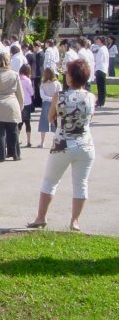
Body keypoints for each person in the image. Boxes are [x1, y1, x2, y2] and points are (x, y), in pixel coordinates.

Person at [27, 59, 96, 231]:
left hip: (62, 144)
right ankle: (75, 221)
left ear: (70, 77)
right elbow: (89, 118)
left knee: (50, 181)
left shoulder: (60, 96)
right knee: (81, 183)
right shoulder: (91, 97)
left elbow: (51, 118)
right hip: (85, 144)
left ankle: (41, 217)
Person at [38, 68, 62, 148]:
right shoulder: (57, 83)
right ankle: (54, 143)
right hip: (55, 104)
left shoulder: (43, 84)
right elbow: (60, 94)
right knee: (55, 123)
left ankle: (42, 142)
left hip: (46, 103)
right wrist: (54, 99)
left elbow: (42, 96)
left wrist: (49, 98)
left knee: (43, 122)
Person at [18, 64, 34, 147]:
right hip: (27, 102)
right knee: (27, 122)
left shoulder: (17, 78)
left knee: (19, 122)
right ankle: (28, 141)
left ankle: (16, 138)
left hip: (18, 102)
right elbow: (31, 92)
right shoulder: (27, 80)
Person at [93, 36, 109, 108]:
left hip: (100, 69)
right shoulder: (104, 48)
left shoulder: (102, 49)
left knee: (101, 87)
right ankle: (100, 100)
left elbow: (99, 60)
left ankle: (100, 101)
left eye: (98, 40)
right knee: (101, 86)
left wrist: (95, 67)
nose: (97, 41)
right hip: (103, 69)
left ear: (101, 41)